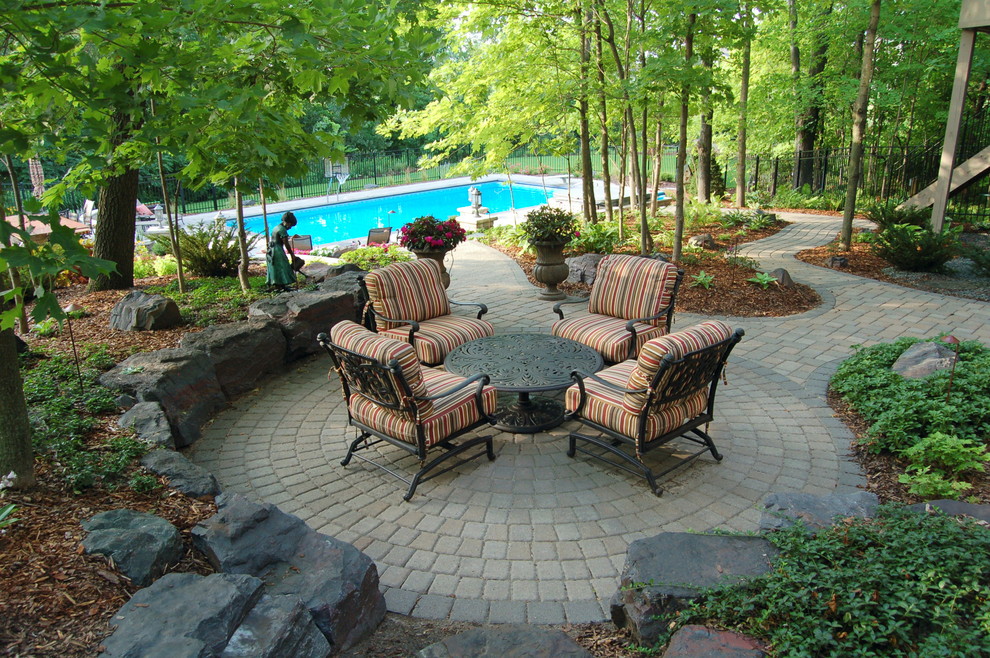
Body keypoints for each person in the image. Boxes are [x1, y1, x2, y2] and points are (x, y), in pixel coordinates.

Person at [266, 212, 298, 290]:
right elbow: (286, 244)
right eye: (291, 225)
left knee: (275, 267)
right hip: (277, 250)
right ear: (288, 223)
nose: (290, 227)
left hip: (271, 249)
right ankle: (281, 285)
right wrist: (292, 255)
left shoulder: (277, 227)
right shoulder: (282, 230)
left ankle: (279, 285)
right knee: (282, 266)